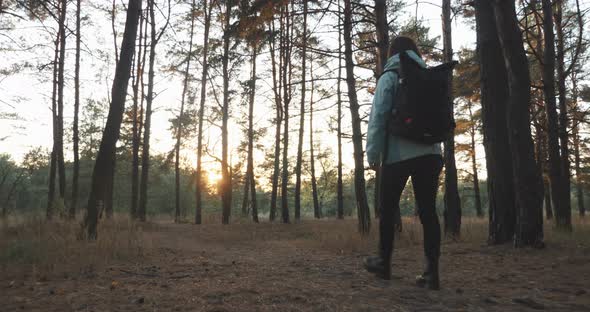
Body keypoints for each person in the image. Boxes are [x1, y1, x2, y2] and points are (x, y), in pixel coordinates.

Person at [364, 36, 444, 290]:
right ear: (415, 52)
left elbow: (378, 117)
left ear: (392, 54)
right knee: (428, 212)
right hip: (432, 152)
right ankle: (432, 273)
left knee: (387, 209)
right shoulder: (428, 76)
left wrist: (373, 154)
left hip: (398, 154)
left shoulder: (390, 76)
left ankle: (384, 264)